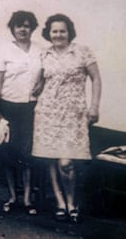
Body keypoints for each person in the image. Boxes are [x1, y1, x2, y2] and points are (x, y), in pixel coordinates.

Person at [32, 14, 101, 223]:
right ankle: (61, 204)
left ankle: (72, 202)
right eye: (54, 31)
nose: (58, 35)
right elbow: (38, 84)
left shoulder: (82, 52)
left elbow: (96, 79)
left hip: (73, 114)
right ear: (49, 33)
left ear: (69, 32)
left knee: (66, 162)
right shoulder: (44, 54)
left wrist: (94, 106)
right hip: (47, 112)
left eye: (62, 31)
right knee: (51, 158)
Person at [0, 10, 42, 215]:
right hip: (7, 106)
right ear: (12, 29)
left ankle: (28, 198)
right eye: (19, 25)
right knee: (8, 153)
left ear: (32, 28)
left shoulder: (41, 50)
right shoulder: (4, 51)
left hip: (31, 107)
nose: (23, 29)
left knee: (27, 153)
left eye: (27, 25)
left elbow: (47, 73)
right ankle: (12, 196)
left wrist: (42, 83)